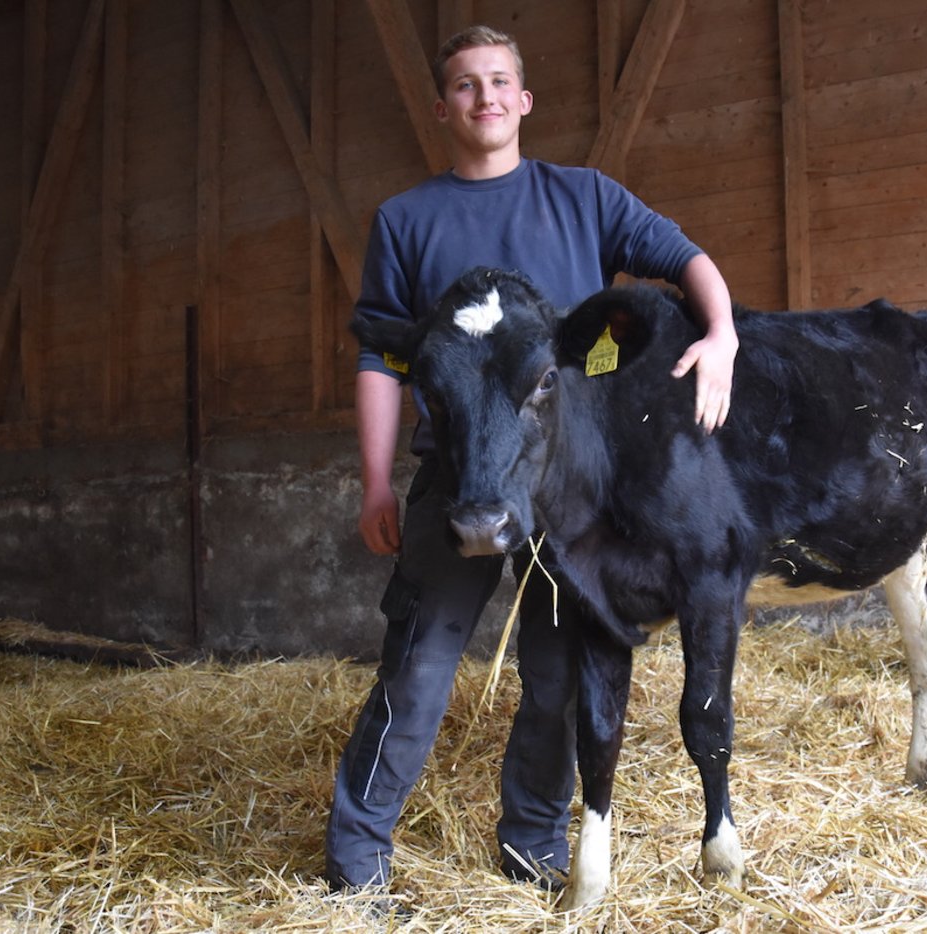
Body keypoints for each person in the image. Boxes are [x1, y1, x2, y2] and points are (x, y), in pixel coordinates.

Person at [326, 24, 739, 892]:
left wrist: (723, 335)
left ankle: (533, 849)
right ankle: (356, 866)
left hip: (568, 491)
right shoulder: (405, 220)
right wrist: (374, 482)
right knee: (417, 669)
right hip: (457, 480)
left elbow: (684, 258)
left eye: (498, 81)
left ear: (523, 100)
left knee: (558, 677)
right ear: (442, 108)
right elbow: (380, 357)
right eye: (464, 84)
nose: (483, 96)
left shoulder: (583, 196)